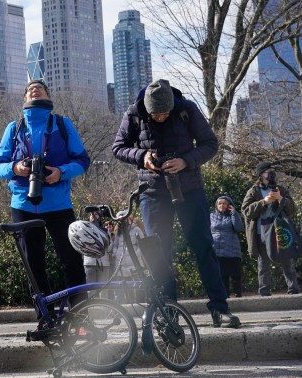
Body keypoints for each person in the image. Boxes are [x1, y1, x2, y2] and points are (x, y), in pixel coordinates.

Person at [112, 79, 241, 328]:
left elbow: (210, 144)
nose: (160, 117)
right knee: (159, 253)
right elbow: (118, 147)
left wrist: (186, 161)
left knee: (204, 246)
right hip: (151, 192)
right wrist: (142, 157)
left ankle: (219, 308)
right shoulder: (133, 113)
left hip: (190, 188)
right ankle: (167, 311)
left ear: (172, 106)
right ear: (146, 109)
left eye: (164, 113)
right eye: (155, 114)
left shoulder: (187, 109)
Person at [0, 80, 91, 296]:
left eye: (39, 88)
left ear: (48, 96)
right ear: (25, 99)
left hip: (59, 204)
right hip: (23, 204)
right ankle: (46, 318)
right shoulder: (14, 128)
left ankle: (81, 316)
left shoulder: (62, 124)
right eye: (29, 90)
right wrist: (15, 167)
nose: (34, 89)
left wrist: (61, 172)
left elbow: (83, 161)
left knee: (72, 261)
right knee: (33, 265)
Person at [241, 162, 299, 296]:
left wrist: (280, 198)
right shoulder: (254, 191)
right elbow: (246, 211)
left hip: (280, 231)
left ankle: (293, 290)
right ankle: (264, 292)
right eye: (269, 171)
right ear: (261, 174)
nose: (272, 173)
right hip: (262, 232)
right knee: (263, 264)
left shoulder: (281, 189)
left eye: (273, 171)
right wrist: (264, 202)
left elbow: (291, 209)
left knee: (287, 261)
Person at [210, 195, 245, 298]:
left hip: (232, 248)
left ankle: (238, 295)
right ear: (216, 205)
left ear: (229, 205)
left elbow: (239, 228)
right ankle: (225, 296)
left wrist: (234, 213)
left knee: (236, 274)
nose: (221, 205)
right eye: (219, 203)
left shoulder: (232, 215)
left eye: (224, 203)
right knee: (222, 275)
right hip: (217, 249)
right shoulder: (211, 216)